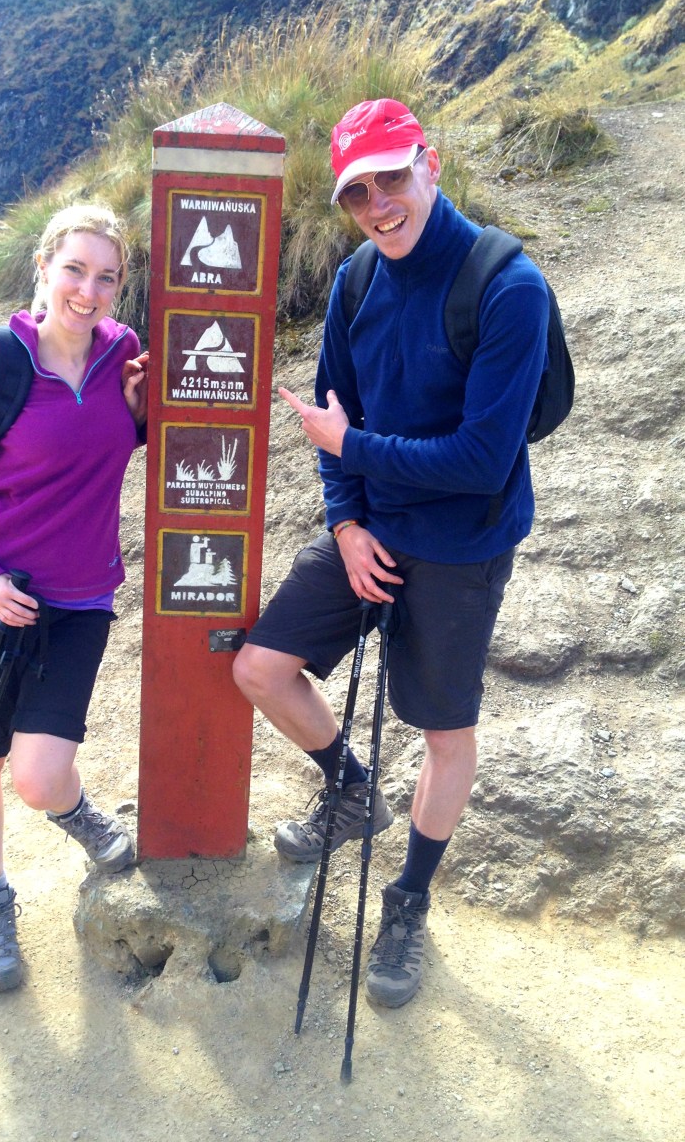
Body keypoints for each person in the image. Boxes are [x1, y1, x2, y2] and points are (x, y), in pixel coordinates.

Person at [233, 99, 548, 1008]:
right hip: (371, 533)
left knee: (444, 733)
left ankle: (408, 901)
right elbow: (339, 414)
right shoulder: (356, 281)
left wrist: (350, 453)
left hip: (462, 544)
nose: (378, 205)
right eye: (357, 191)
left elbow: (481, 459)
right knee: (260, 666)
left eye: (393, 178)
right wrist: (346, 524)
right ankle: (351, 791)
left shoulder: (507, 286)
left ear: (431, 165)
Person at [0, 203, 148, 993]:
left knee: (41, 775)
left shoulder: (124, 355)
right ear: (44, 269)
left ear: (120, 286)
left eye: (107, 276)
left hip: (80, 600)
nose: (89, 290)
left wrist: (146, 412)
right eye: (75, 270)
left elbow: (123, 437)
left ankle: (74, 810)